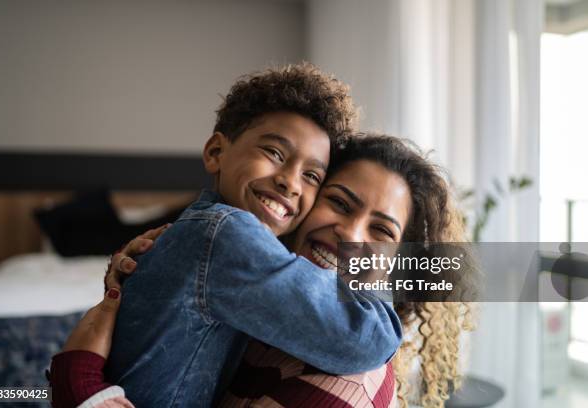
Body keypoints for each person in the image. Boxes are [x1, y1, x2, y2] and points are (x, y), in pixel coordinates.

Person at [50, 65, 404, 408]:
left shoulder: (216, 235)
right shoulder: (228, 235)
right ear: (215, 152)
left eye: (312, 176)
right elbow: (365, 338)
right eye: (275, 153)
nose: (290, 182)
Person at [51, 134, 475, 408]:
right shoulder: (242, 304)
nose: (349, 233)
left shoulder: (351, 375)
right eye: (339, 203)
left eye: (381, 230)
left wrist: (80, 382)